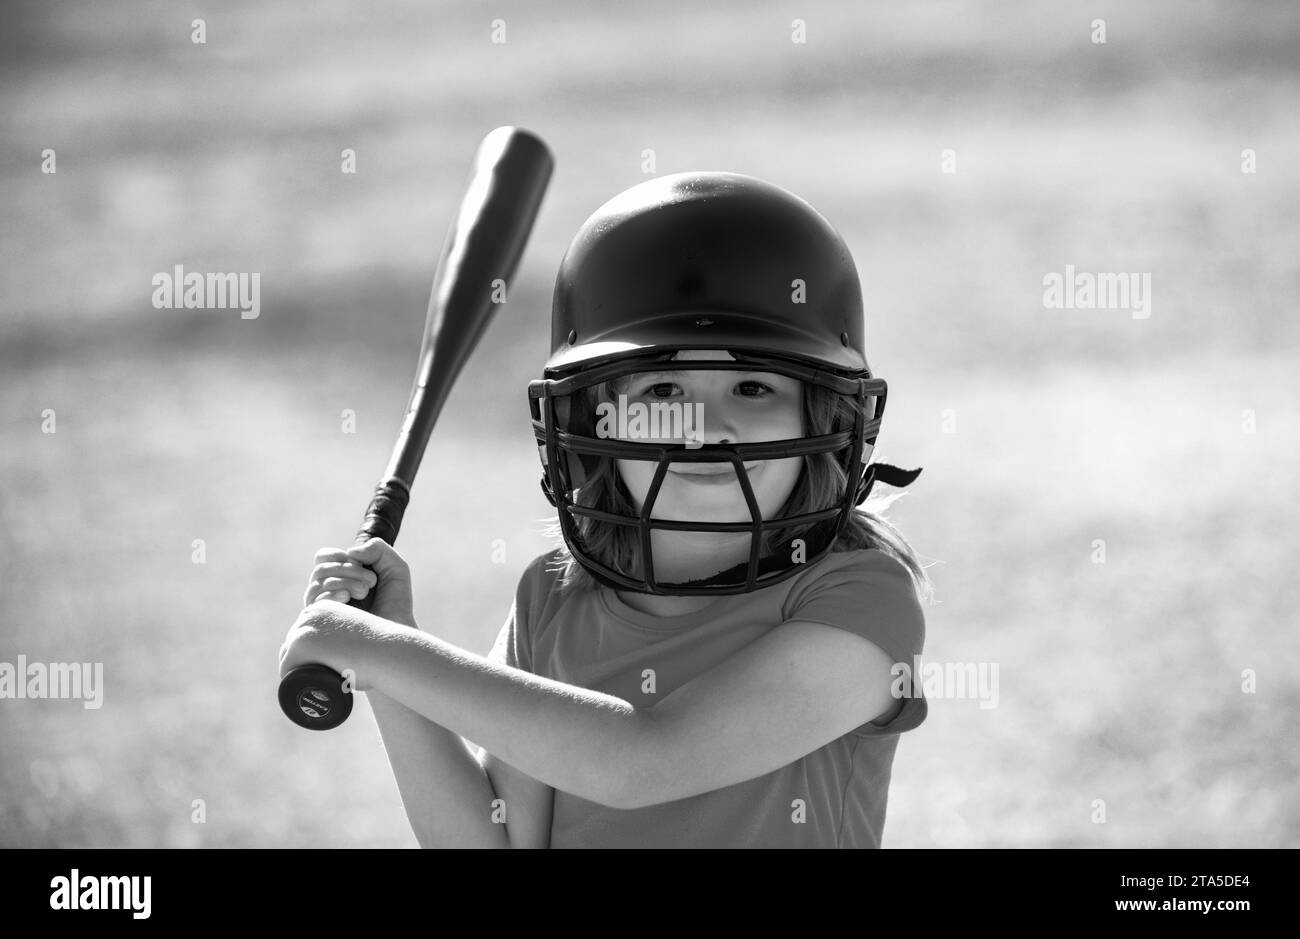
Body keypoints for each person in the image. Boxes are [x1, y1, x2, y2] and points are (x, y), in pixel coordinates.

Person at [280, 171, 936, 847]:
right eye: (661, 388)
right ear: (597, 421)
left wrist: (386, 653)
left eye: (751, 385)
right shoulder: (553, 599)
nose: (704, 425)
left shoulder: (861, 599)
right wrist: (390, 660)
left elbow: (647, 758)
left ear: (825, 411)